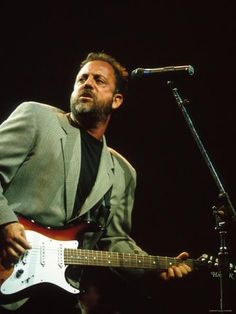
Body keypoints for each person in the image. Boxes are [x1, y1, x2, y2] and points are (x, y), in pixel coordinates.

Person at [0, 52, 191, 313]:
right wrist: (6, 221)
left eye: (99, 80)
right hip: (7, 268)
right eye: (82, 78)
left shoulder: (123, 172)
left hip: (58, 296)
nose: (88, 83)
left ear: (117, 100)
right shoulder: (37, 118)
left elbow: (114, 240)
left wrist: (154, 269)